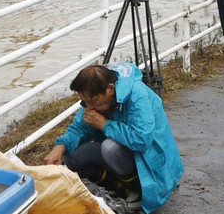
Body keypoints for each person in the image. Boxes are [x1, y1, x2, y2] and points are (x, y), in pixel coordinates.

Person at [44, 62, 183, 212]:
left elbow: (142, 140)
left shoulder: (138, 95)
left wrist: (105, 125)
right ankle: (121, 190)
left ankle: (138, 193)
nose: (89, 107)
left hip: (152, 160)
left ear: (110, 89)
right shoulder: (97, 96)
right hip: (123, 153)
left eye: (92, 101)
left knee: (110, 148)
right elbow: (79, 127)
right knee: (74, 159)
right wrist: (61, 146)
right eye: (85, 102)